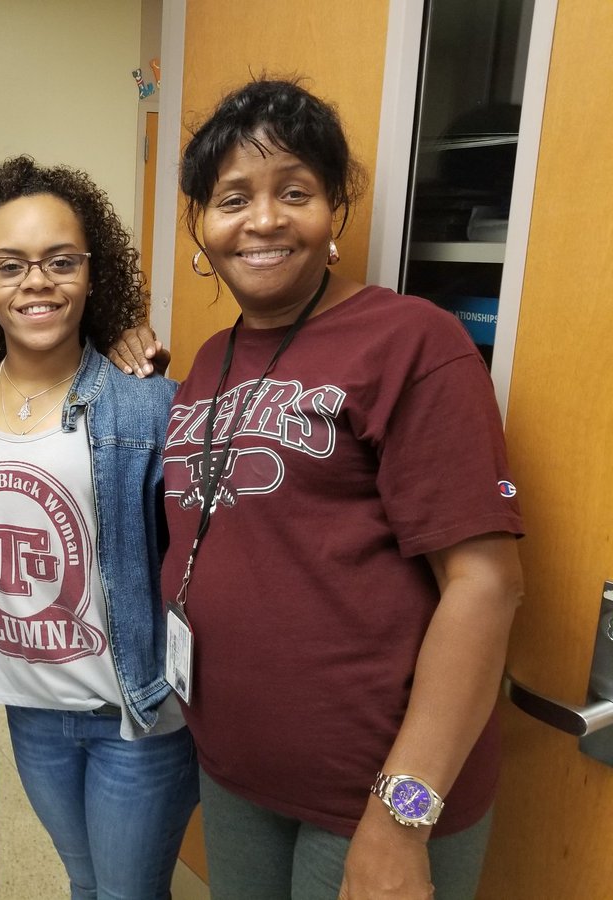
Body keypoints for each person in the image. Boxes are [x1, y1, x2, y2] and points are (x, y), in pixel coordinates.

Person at [115, 79, 524, 900]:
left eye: (293, 191)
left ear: (334, 209)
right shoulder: (208, 361)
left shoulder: (412, 342)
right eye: (234, 198)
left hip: (373, 790)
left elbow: (486, 586)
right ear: (202, 223)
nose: (263, 220)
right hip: (237, 771)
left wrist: (403, 814)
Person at [0, 155, 199, 900]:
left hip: (134, 714)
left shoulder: (146, 406)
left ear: (92, 272)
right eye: (11, 265)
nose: (36, 282)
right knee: (85, 885)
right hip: (31, 706)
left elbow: (191, 562)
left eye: (60, 261)